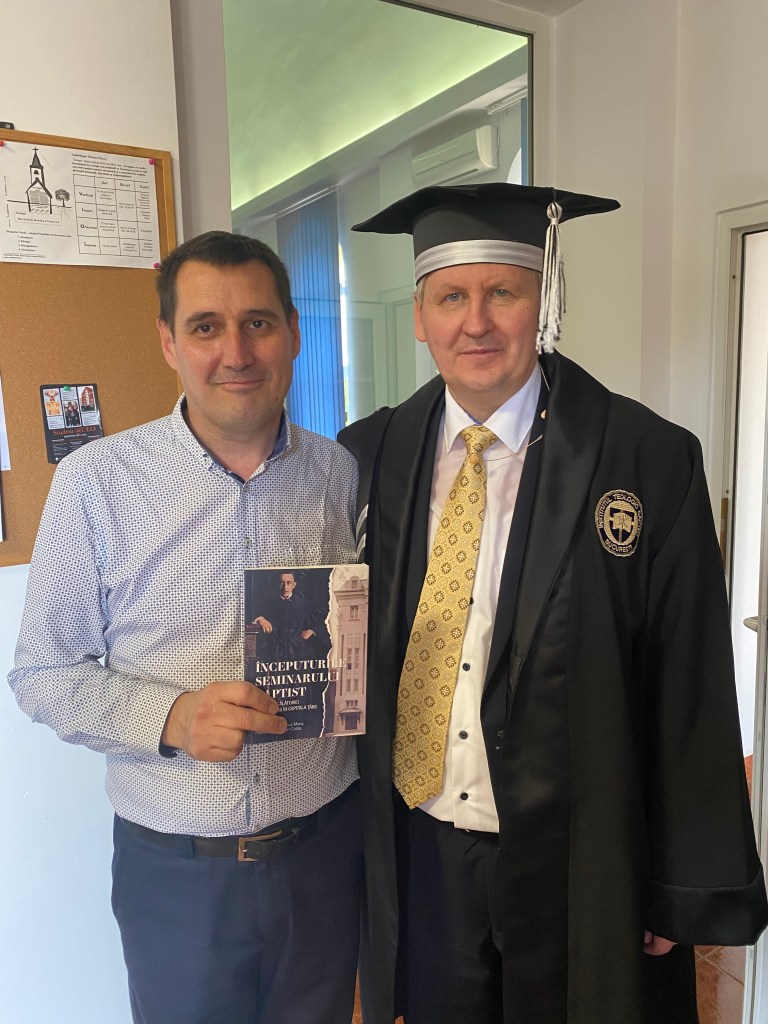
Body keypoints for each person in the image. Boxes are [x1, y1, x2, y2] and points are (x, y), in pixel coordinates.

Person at [338, 183, 768, 1024]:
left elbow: (689, 683)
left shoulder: (646, 459)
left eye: (503, 292)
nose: (477, 322)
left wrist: (677, 883)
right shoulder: (369, 455)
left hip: (583, 859)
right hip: (424, 854)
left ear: (545, 302)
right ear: (419, 316)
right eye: (450, 298)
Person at [9, 231, 361, 1024]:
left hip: (323, 862)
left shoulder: (339, 475)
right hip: (178, 878)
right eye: (206, 327)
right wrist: (170, 717)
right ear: (169, 342)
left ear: (293, 333)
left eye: (258, 323)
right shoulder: (96, 483)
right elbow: (43, 673)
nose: (235, 352)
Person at [250, 570, 331, 661]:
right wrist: (260, 618)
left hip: (298, 653)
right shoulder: (269, 604)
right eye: (282, 583)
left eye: (289, 583)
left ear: (294, 585)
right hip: (274, 653)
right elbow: (251, 614)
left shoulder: (303, 604)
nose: (285, 587)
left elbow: (325, 618)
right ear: (277, 584)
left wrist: (312, 630)